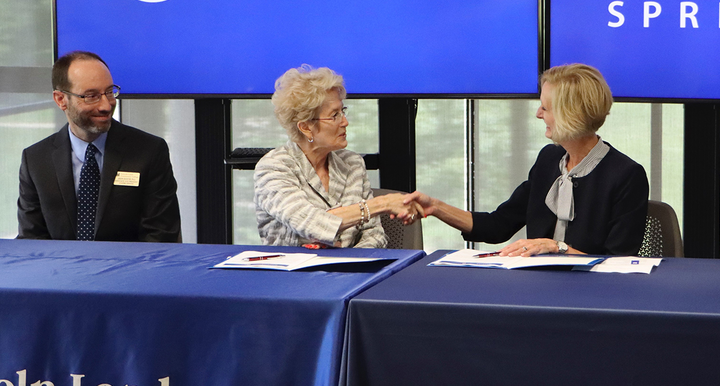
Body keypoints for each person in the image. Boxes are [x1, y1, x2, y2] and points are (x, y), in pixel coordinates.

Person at [403, 64, 648, 256]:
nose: (538, 114)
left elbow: (618, 261)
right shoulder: (548, 159)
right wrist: (435, 207)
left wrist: (556, 248)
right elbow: (498, 225)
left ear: (569, 115)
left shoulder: (626, 175)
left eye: (545, 108)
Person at [17, 51, 182, 242]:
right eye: (91, 96)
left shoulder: (149, 152)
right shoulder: (36, 160)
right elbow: (31, 241)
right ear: (61, 100)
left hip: (131, 269)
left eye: (110, 92)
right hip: (61, 270)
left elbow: (160, 237)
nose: (106, 105)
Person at [254, 66, 414, 247]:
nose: (345, 122)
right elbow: (312, 223)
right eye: (334, 115)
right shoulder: (274, 167)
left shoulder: (352, 164)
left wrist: (350, 262)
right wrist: (381, 204)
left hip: (354, 271)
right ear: (306, 127)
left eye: (343, 111)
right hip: (293, 273)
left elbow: (374, 234)